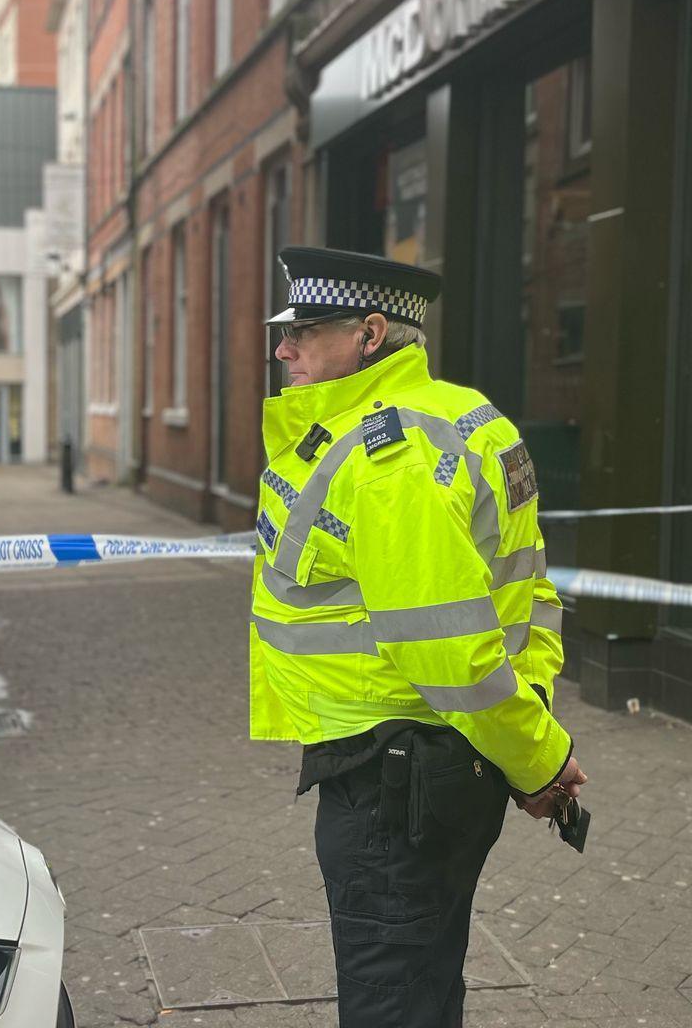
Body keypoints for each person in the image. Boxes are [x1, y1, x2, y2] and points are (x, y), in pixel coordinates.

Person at [248, 246, 588, 1027]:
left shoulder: (388, 457)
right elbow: (529, 595)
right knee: (425, 987)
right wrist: (528, 732)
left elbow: (449, 651)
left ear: (370, 333)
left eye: (304, 331)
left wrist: (540, 759)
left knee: (393, 1001)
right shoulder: (464, 415)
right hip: (434, 768)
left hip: (392, 780)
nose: (283, 349)